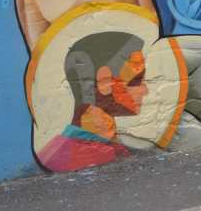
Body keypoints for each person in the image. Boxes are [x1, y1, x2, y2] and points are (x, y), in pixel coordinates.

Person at [36, 32, 148, 172]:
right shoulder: (81, 159)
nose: (145, 90)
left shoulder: (61, 152)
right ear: (104, 82)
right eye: (136, 80)